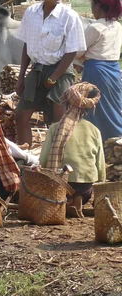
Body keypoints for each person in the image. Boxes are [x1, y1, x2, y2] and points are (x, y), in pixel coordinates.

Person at [15, 0, 87, 146]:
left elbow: (72, 52)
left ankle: (56, 160)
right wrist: (21, 76)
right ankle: (27, 158)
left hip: (61, 70)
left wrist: (54, 77)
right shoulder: (31, 13)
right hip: (38, 68)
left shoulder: (69, 16)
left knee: (58, 119)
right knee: (21, 116)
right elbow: (27, 45)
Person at [39, 82, 106, 216]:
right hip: (86, 187)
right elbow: (100, 163)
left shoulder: (55, 128)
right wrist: (101, 185)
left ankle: (67, 201)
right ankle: (78, 199)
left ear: (67, 104)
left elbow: (44, 159)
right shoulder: (94, 130)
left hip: (61, 184)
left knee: (55, 189)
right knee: (83, 189)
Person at [76, 0, 122, 142]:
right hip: (114, 71)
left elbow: (78, 52)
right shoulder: (117, 26)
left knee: (94, 108)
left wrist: (82, 57)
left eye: (92, 5)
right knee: (114, 107)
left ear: (97, 6)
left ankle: (97, 142)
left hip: (95, 71)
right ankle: (117, 140)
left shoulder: (94, 27)